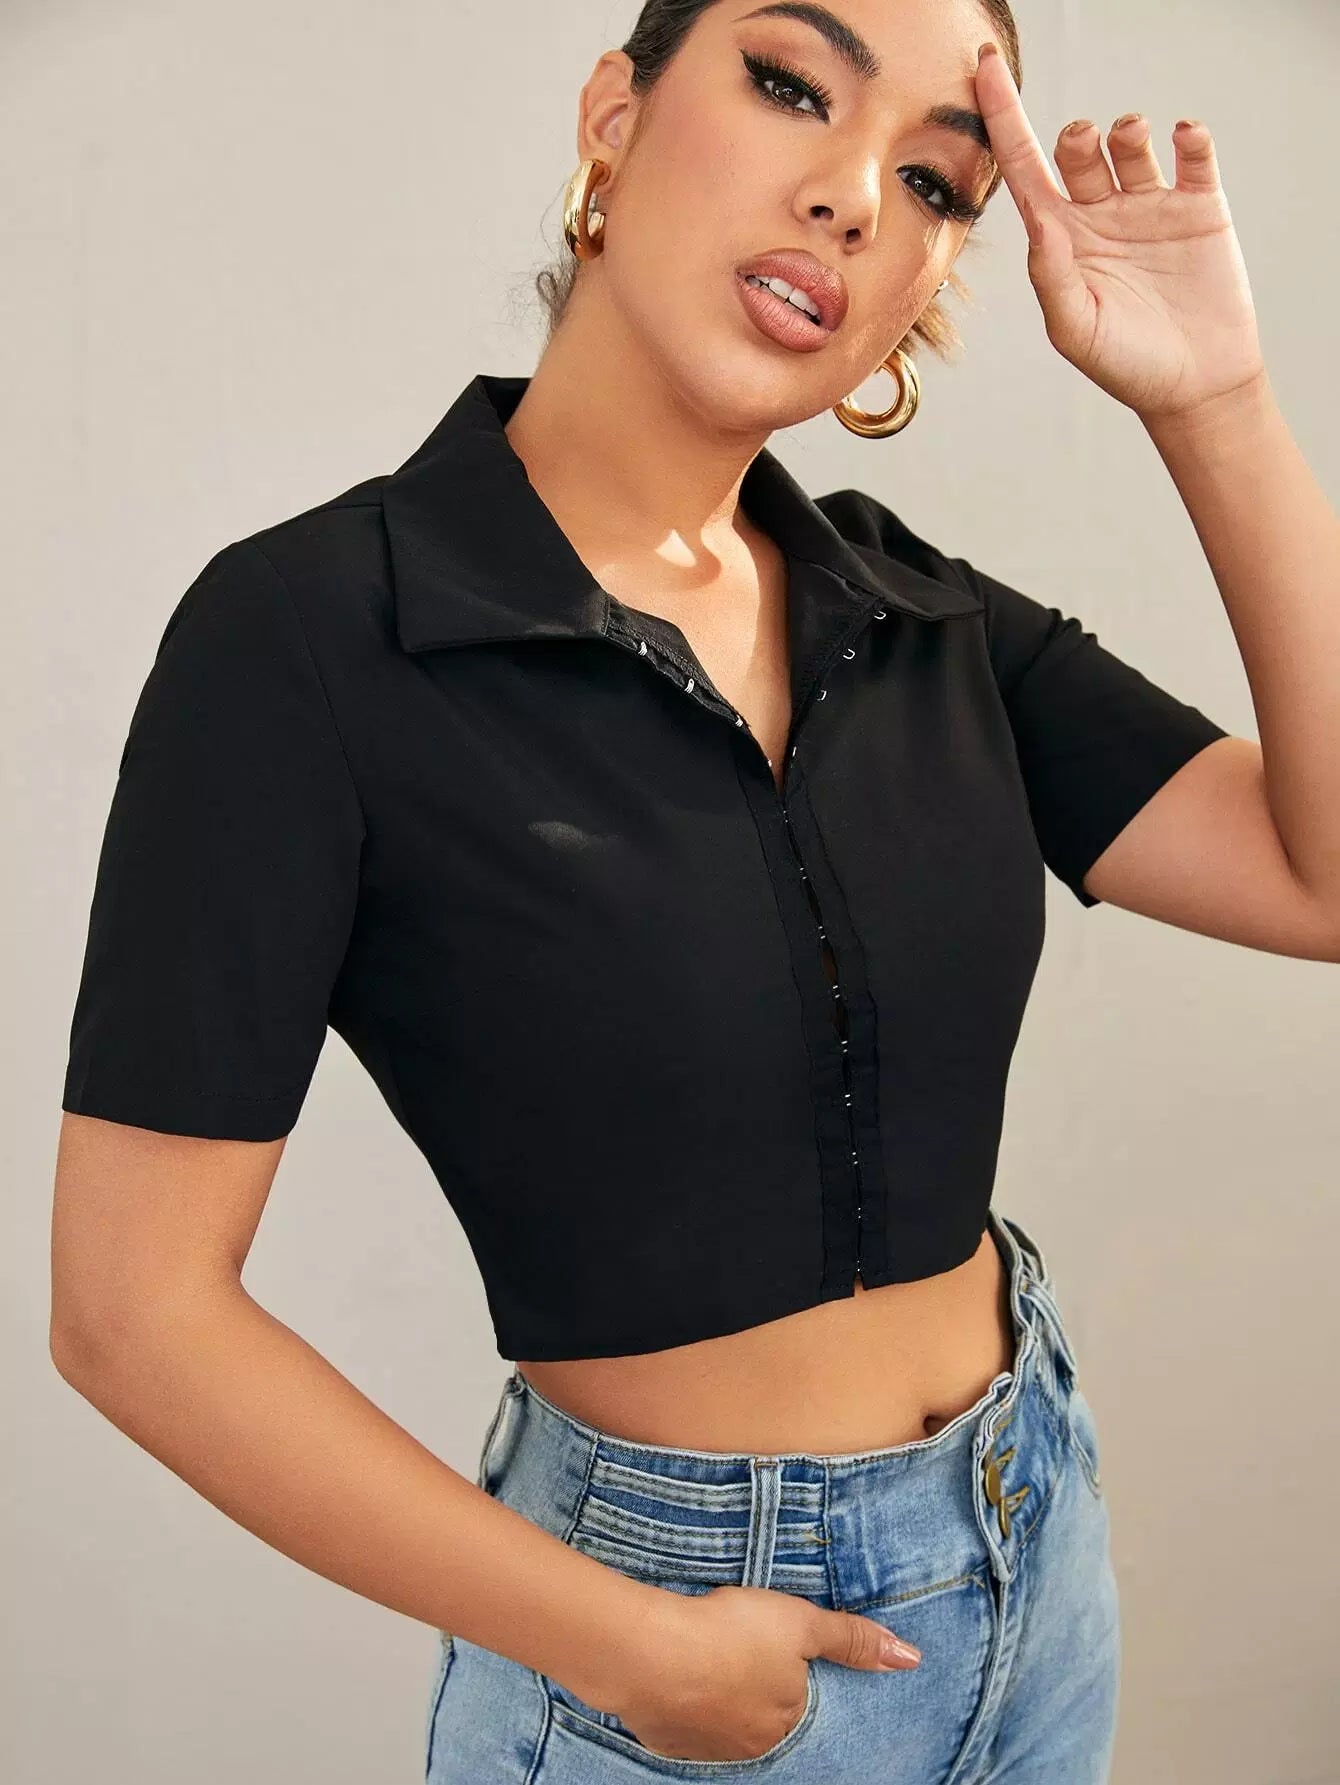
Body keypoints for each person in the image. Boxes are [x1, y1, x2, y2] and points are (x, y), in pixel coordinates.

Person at [50, 2, 1340, 1782]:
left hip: (1031, 1542)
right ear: (617, 113)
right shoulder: (309, 640)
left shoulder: (919, 615)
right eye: (792, 84)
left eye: (935, 184)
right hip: (681, 1655)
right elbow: (130, 1312)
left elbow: (1322, 875)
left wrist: (1217, 403)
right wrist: (629, 1645)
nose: (854, 197)